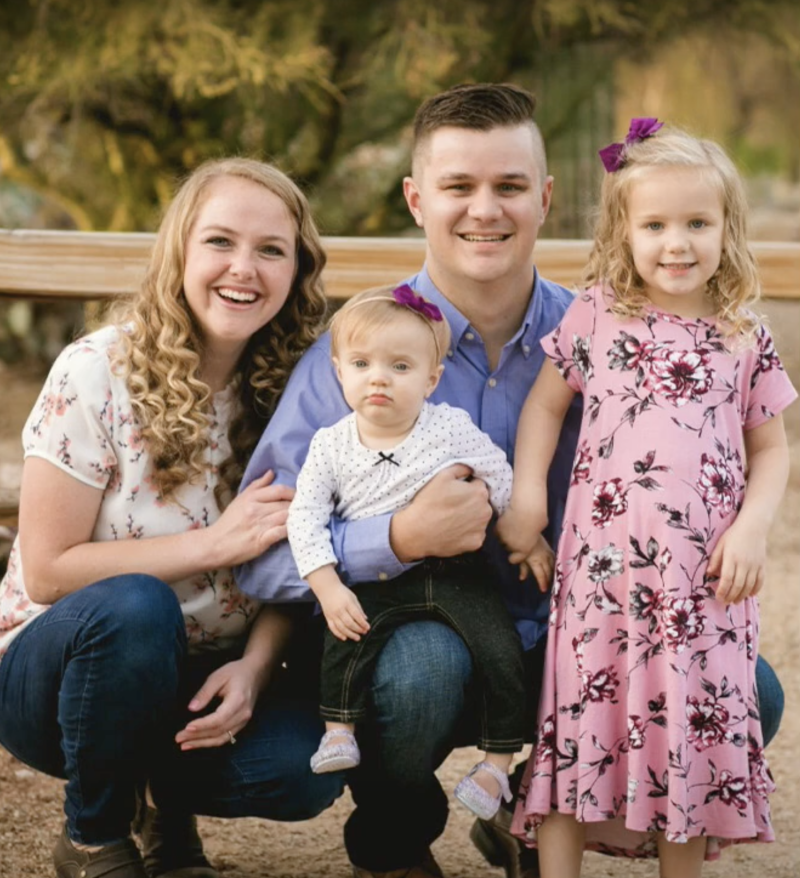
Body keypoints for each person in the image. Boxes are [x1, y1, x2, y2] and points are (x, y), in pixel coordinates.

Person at [236, 85, 786, 878]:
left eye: (510, 186)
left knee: (749, 694)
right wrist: (394, 540)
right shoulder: (358, 356)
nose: (484, 210)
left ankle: (527, 813)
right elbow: (259, 557)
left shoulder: (603, 323)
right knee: (422, 669)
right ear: (417, 199)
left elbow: (751, 438)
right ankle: (396, 835)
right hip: (423, 643)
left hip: (585, 631)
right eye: (459, 187)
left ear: (548, 198)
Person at [0, 157, 344, 878]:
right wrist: (213, 544)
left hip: (204, 675)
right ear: (180, 251)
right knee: (136, 605)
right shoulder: (97, 370)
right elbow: (49, 569)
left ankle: (160, 802)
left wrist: (254, 667)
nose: (243, 269)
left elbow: (294, 555)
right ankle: (94, 838)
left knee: (304, 770)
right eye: (220, 241)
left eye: (271, 250)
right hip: (62, 673)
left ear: (296, 269)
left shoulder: (300, 389)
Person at [498, 120, 796, 878]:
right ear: (622, 231)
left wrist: (754, 529)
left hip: (705, 585)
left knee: (690, 739)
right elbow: (543, 408)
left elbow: (771, 446)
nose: (677, 243)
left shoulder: (743, 335)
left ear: (727, 230)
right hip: (604, 580)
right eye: (655, 224)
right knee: (579, 728)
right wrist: (528, 494)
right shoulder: (598, 314)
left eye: (697, 223)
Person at [288, 285, 553, 819]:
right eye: (361, 364)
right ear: (340, 372)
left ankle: (496, 766)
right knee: (347, 636)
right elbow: (303, 516)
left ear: (431, 379)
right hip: (378, 578)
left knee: (498, 649)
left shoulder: (447, 425)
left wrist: (522, 531)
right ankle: (339, 729)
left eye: (401, 366)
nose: (379, 377)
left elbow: (496, 469)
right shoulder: (332, 444)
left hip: (457, 572)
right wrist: (327, 584)